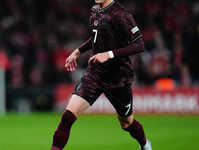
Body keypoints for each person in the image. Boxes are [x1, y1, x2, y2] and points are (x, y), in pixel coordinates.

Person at [51, 0, 152, 150]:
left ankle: (144, 144)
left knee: (126, 123)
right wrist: (77, 51)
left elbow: (139, 44)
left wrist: (110, 54)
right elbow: (96, 38)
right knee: (67, 117)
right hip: (95, 75)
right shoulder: (95, 11)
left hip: (118, 78)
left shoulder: (121, 15)